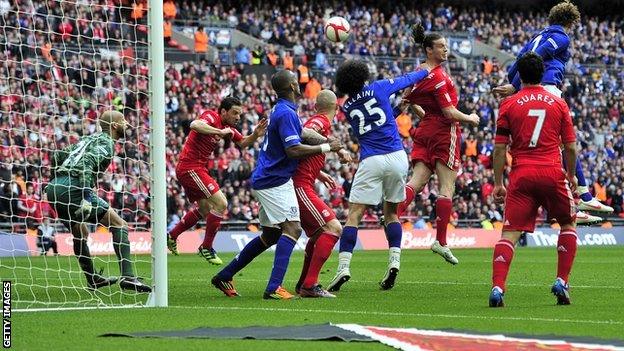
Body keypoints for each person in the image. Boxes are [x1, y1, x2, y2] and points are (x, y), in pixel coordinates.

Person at [211, 70, 342, 299]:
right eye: (296, 80)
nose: (299, 83)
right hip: (275, 180)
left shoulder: (282, 109)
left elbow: (300, 133)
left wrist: (325, 144)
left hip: (267, 177)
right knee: (293, 228)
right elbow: (293, 150)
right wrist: (326, 148)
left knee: (271, 234)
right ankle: (274, 288)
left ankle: (225, 274)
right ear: (292, 86)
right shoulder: (285, 112)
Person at [492, 0, 610, 224]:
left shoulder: (538, 35)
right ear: (571, 21)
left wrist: (514, 82)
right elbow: (536, 56)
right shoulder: (561, 37)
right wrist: (517, 84)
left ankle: (577, 201)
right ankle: (581, 196)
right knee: (565, 144)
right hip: (547, 89)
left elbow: (520, 60)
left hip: (532, 87)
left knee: (554, 147)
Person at [326, 59, 431, 293]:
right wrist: (426, 69)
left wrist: (395, 110)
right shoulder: (379, 87)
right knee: (392, 213)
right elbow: (408, 79)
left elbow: (373, 122)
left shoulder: (347, 108)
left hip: (371, 159)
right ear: (363, 75)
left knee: (354, 215)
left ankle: (343, 267)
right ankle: (394, 262)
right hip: (396, 157)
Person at [489, 52, 578, 307]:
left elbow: (499, 148)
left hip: (521, 176)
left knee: (509, 235)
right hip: (551, 172)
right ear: (542, 74)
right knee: (568, 224)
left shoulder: (508, 104)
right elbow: (571, 148)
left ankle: (498, 287)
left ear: (520, 76)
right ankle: (561, 281)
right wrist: (571, 175)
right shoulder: (558, 103)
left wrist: (498, 182)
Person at [397, 23, 480, 265]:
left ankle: (394, 214)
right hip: (445, 131)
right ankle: (441, 242)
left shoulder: (419, 72)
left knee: (416, 181)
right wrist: (470, 118)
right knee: (447, 188)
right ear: (429, 49)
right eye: (441, 47)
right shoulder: (439, 77)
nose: (446, 50)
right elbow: (448, 112)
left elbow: (413, 102)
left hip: (426, 129)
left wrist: (426, 116)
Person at [45, 111, 151, 292]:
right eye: (123, 121)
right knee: (119, 224)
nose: (127, 124)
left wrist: (55, 181)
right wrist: (86, 196)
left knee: (80, 234)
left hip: (54, 188)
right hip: (74, 187)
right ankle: (128, 277)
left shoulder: (87, 139)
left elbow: (57, 155)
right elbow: (87, 162)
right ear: (115, 126)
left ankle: (93, 279)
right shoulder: (107, 143)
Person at [167, 97, 267, 265]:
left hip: (196, 168)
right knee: (221, 203)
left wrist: (255, 135)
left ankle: (172, 236)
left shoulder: (229, 128)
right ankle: (206, 247)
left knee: (205, 208)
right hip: (190, 167)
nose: (237, 117)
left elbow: (242, 142)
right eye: (234, 113)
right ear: (223, 111)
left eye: (239, 114)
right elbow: (194, 125)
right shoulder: (211, 117)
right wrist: (219, 132)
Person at [293, 90, 352, 298]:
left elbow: (305, 156)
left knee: (320, 234)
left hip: (304, 183)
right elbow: (304, 132)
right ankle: (310, 285)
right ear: (336, 108)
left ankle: (304, 283)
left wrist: (320, 174)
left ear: (317, 106)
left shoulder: (318, 120)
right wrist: (335, 148)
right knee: (334, 228)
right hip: (301, 186)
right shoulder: (319, 122)